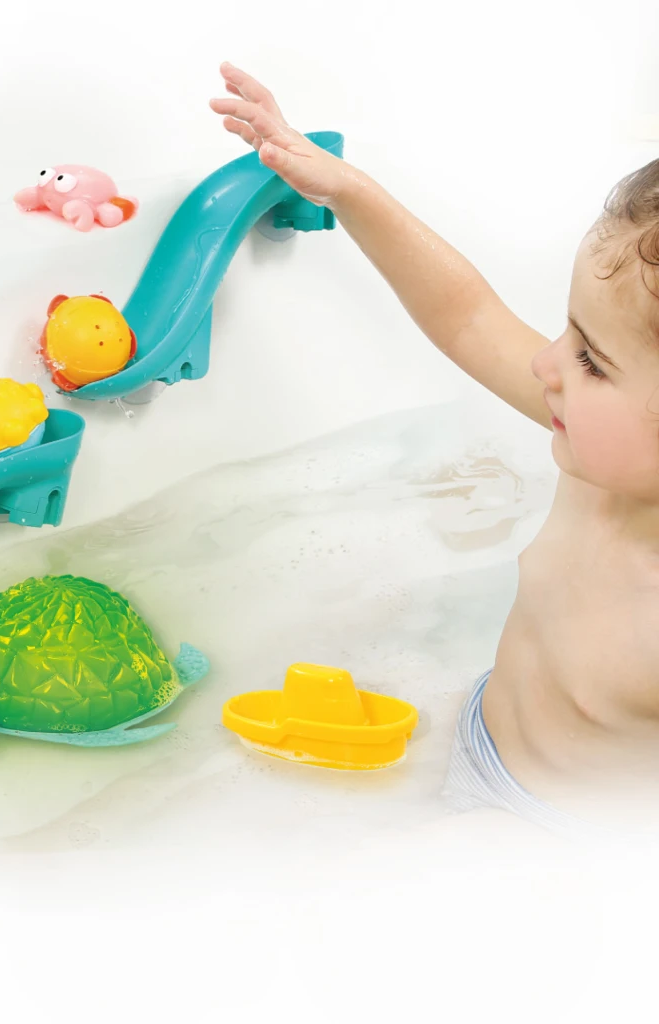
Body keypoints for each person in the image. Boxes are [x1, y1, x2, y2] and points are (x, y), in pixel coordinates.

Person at [211, 63, 659, 832]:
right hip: (480, 731)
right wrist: (347, 191)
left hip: (555, 842)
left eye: (591, 360)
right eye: (568, 332)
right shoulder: (600, 454)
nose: (548, 365)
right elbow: (468, 317)